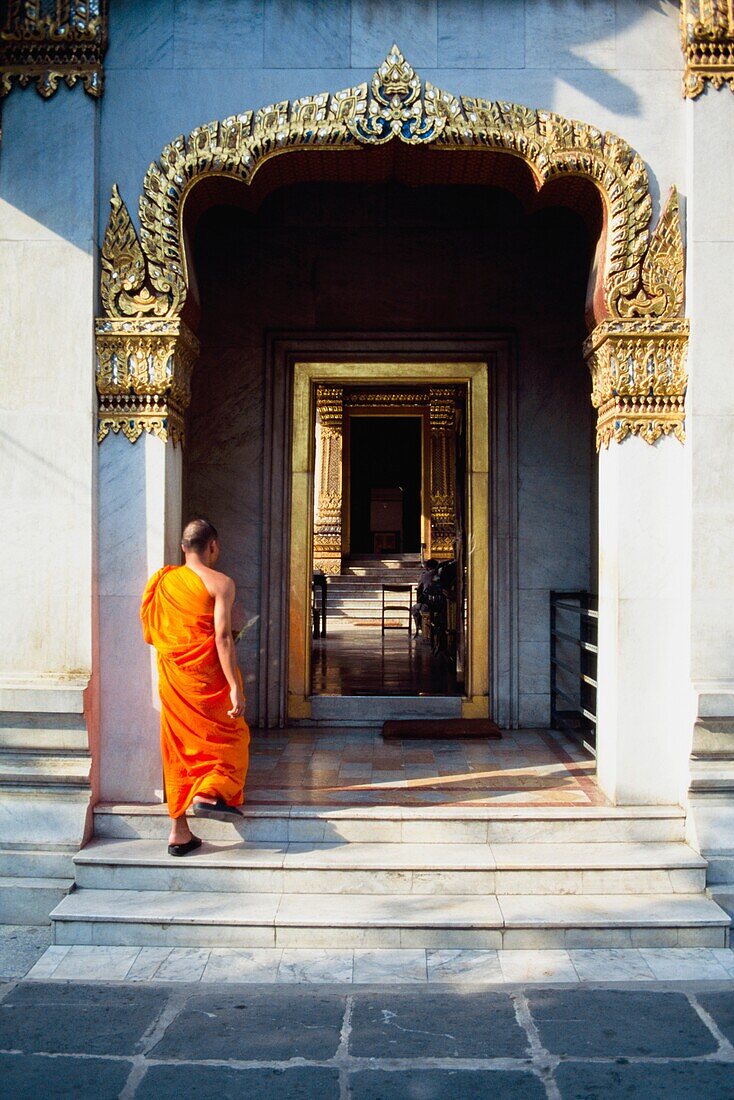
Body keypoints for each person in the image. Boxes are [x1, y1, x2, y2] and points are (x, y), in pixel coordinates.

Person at [140, 518, 250, 857]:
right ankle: (208, 792)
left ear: (182, 548)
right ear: (213, 546)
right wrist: (234, 686)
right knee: (231, 737)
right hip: (208, 678)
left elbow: (151, 630)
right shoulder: (221, 583)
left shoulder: (162, 581)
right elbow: (221, 636)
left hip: (175, 678)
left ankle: (179, 831)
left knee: (178, 750)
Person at [412, 555, 439, 636]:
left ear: (427, 567)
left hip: (429, 604)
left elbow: (420, 587)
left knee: (414, 608)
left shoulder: (425, 575)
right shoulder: (440, 574)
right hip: (441, 603)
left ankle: (420, 628)